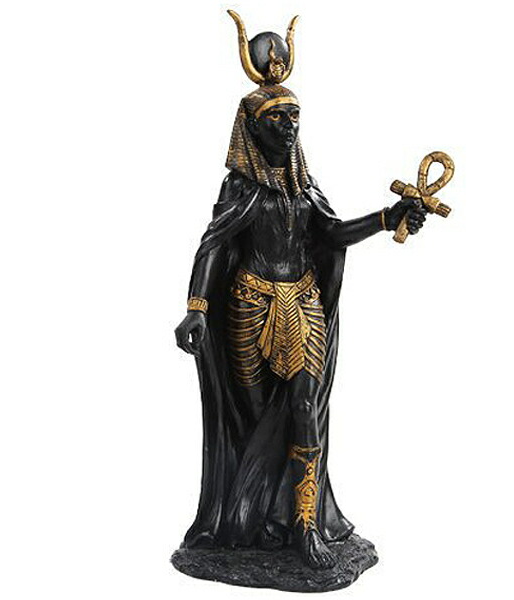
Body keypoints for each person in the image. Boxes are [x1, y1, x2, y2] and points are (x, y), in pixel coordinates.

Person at [174, 13, 426, 569]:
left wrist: (387, 218)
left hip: (304, 305)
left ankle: (307, 526)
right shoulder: (241, 188)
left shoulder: (304, 188)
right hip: (248, 308)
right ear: (251, 125)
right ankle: (259, 522)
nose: (288, 125)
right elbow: (213, 245)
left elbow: (332, 233)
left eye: (293, 116)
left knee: (304, 407)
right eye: (276, 117)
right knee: (257, 422)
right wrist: (196, 308)